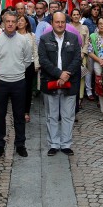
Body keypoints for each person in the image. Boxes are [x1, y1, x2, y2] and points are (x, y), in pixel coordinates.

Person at [0, 11, 33, 157]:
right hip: (1, 82)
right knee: (0, 114)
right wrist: (2, 70)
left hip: (19, 82)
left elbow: (28, 60)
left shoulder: (24, 40)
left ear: (17, 23)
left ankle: (20, 144)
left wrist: (17, 69)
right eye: (8, 21)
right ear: (3, 23)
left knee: (19, 115)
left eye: (13, 21)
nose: (11, 24)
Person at [38, 12, 82, 156]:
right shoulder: (44, 39)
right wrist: (59, 74)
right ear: (52, 23)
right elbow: (43, 60)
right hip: (50, 81)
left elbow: (77, 59)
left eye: (62, 22)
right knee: (52, 115)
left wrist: (66, 74)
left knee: (68, 115)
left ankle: (66, 144)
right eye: (57, 22)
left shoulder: (73, 38)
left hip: (70, 82)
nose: (60, 24)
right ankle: (54, 144)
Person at [14, 13, 38, 123]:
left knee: (27, 89)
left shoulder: (32, 36)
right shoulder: (13, 35)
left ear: (26, 23)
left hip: (29, 65)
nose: (19, 22)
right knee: (17, 89)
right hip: (16, 65)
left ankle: (26, 111)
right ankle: (18, 111)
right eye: (18, 20)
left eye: (22, 20)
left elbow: (35, 51)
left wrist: (36, 64)